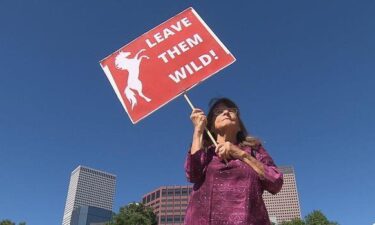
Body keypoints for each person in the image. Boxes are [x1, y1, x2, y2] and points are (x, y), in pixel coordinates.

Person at [184, 98, 283, 225]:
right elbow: (192, 174)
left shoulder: (253, 149)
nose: (226, 112)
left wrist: (241, 154)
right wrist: (198, 130)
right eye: (219, 111)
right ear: (212, 126)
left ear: (239, 125)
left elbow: (276, 182)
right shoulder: (205, 151)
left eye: (231, 110)